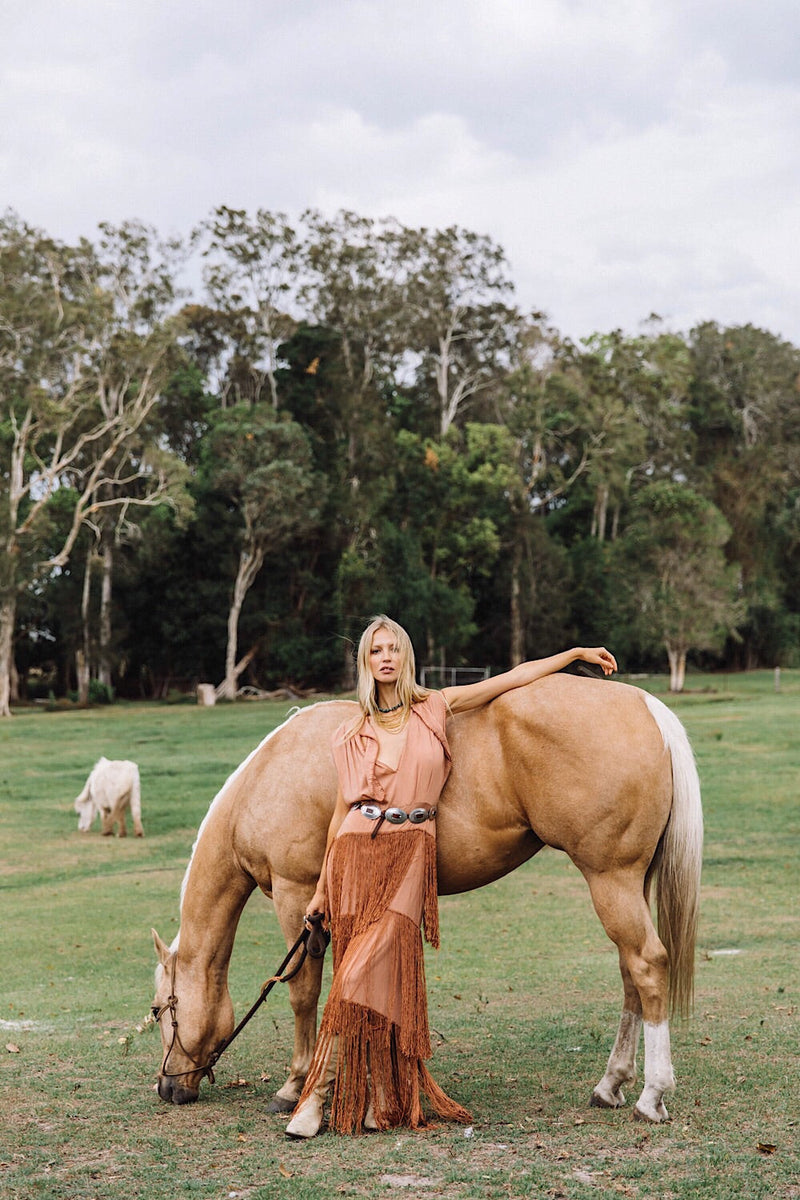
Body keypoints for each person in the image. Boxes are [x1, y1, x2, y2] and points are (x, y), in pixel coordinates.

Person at [285, 616, 617, 1139]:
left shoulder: (435, 706)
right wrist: (323, 887)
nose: (386, 658)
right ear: (366, 662)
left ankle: (318, 1094)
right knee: (371, 979)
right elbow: (337, 816)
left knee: (358, 974)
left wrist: (572, 651)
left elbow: (510, 679)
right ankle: (377, 1097)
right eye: (376, 651)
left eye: (394, 648)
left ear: (406, 656)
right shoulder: (350, 731)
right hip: (355, 853)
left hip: (413, 849)